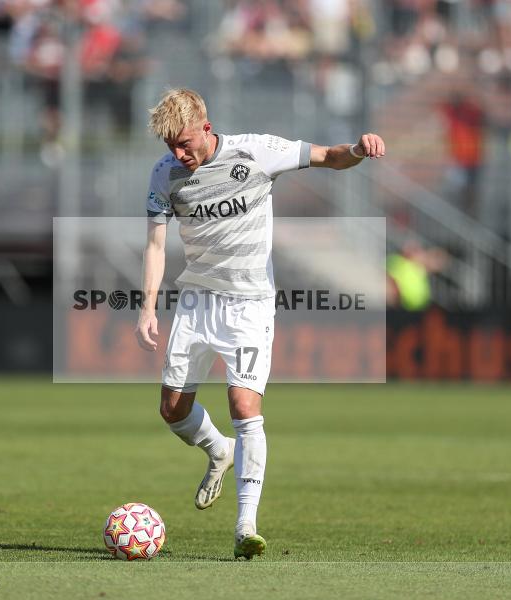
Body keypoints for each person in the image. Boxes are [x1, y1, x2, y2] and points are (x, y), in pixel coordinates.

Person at [135, 88, 385, 560]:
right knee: (171, 410)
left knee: (244, 404)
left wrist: (357, 149)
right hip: (196, 302)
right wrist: (147, 308)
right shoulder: (164, 174)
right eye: (170, 146)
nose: (178, 154)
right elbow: (154, 245)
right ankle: (218, 450)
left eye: (185, 143)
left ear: (206, 129)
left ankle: (245, 525)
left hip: (249, 305)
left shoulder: (256, 151)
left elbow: (328, 157)